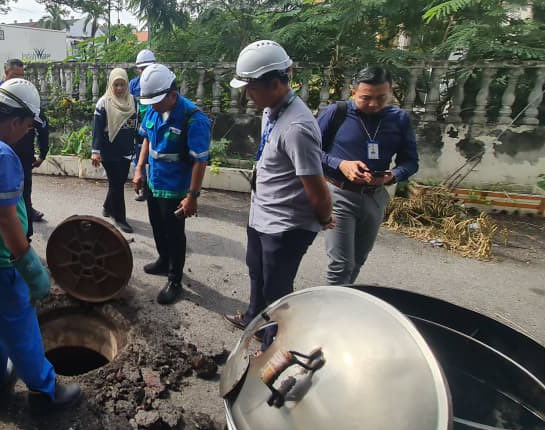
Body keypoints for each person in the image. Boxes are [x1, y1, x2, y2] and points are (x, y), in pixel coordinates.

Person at [0, 77, 81, 410]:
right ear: (16, 120)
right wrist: (28, 264)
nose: (28, 133)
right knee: (21, 330)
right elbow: (4, 218)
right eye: (28, 127)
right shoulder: (1, 155)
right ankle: (45, 392)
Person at [225, 41, 333, 333]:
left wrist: (324, 217)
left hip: (285, 225)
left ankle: (274, 344)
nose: (247, 94)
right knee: (257, 272)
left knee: (277, 291)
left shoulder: (297, 127)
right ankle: (252, 320)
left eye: (251, 87)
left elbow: (315, 183)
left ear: (275, 84)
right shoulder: (272, 110)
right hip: (262, 212)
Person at [318, 66, 419, 286]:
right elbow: (310, 151)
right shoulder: (337, 113)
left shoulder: (399, 119)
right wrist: (341, 164)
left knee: (357, 261)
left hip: (375, 197)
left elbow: (411, 162)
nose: (373, 104)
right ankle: (330, 314)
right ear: (353, 92)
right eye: (366, 98)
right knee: (341, 264)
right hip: (339, 194)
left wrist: (391, 176)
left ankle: (342, 301)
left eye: (381, 97)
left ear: (390, 91)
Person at [132, 64, 211, 305]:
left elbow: (200, 161)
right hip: (155, 180)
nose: (152, 107)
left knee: (174, 233)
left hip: (176, 186)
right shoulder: (154, 110)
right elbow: (146, 140)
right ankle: (163, 261)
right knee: (157, 224)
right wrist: (139, 169)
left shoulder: (193, 118)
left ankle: (175, 279)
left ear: (172, 95)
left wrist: (192, 196)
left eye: (157, 101)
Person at [0, 59, 50, 237]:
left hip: (23, 156)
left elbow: (43, 124)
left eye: (21, 76)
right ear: (5, 73)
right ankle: (12, 238)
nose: (19, 80)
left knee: (24, 192)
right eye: (15, 76)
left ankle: (26, 233)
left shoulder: (25, 94)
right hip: (0, 157)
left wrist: (43, 152)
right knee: (1, 197)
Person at [91, 68, 138, 234]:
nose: (119, 88)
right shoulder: (103, 103)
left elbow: (135, 128)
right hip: (108, 152)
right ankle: (120, 218)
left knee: (118, 182)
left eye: (122, 85)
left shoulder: (133, 101)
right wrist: (95, 151)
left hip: (126, 151)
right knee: (117, 184)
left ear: (127, 85)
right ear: (111, 84)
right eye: (116, 85)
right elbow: (97, 130)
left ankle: (107, 206)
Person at [129, 48, 156, 202]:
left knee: (153, 157)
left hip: (155, 127)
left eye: (147, 67)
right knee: (138, 157)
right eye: (142, 68)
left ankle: (151, 188)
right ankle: (142, 185)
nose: (144, 71)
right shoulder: (134, 84)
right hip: (139, 127)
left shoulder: (160, 80)